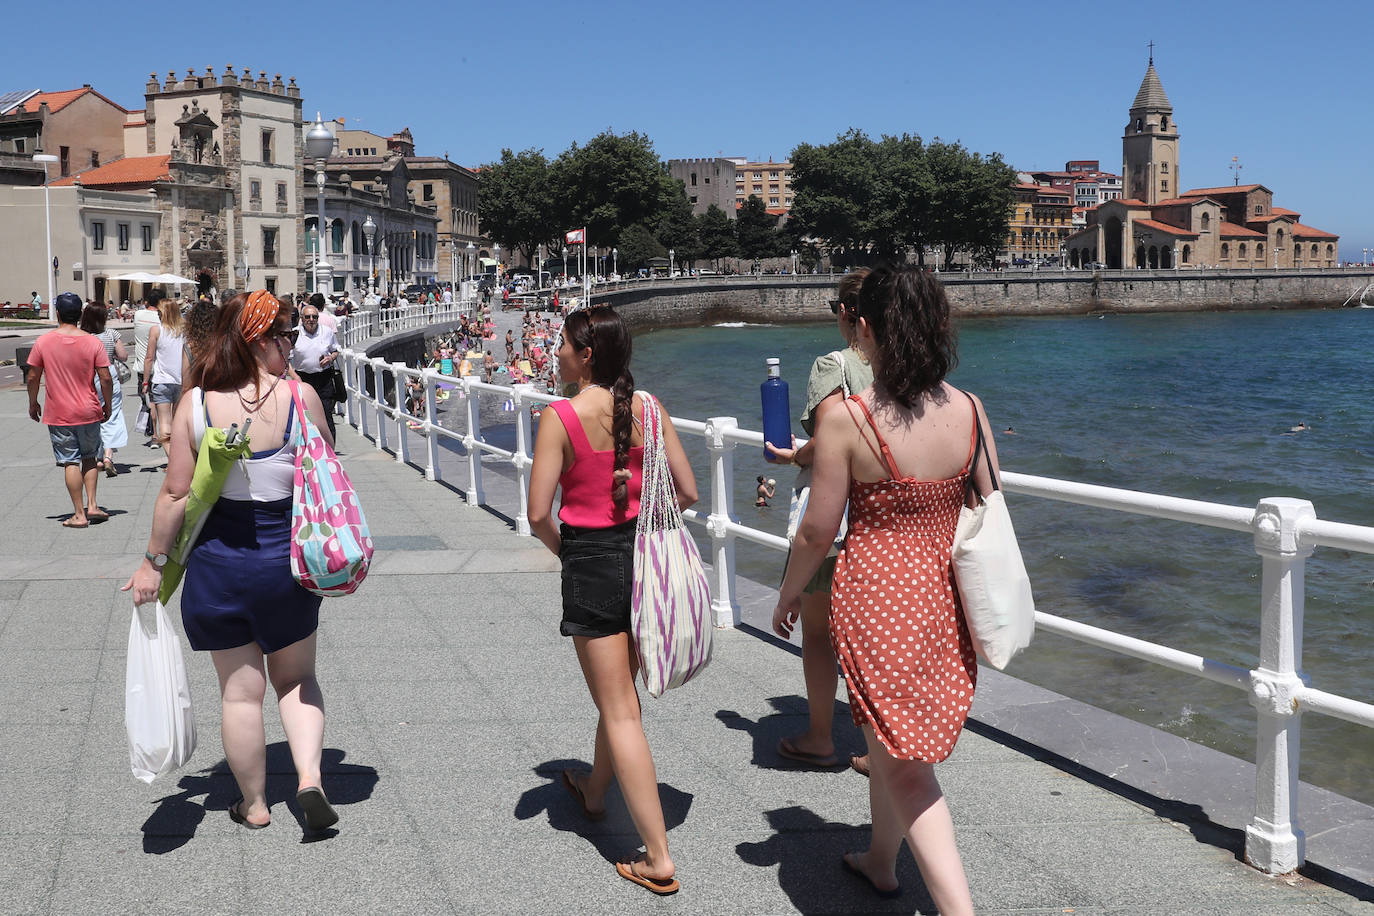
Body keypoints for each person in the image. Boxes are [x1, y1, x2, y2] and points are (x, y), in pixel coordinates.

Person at [772, 266, 988, 914]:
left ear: (866, 327)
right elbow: (986, 500)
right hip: (943, 602)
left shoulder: (847, 418)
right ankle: (880, 860)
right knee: (888, 742)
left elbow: (817, 530)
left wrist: (786, 595)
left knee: (906, 769)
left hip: (876, 599)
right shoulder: (971, 410)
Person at [123, 290, 339, 835]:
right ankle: (309, 779)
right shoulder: (301, 397)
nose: (290, 344)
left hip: (218, 565)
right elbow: (327, 468)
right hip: (285, 563)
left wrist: (152, 564)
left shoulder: (196, 404)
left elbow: (175, 496)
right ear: (262, 339)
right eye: (285, 335)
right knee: (297, 681)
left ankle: (255, 804)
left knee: (241, 693)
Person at [527, 305, 697, 896]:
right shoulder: (649, 409)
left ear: (587, 355)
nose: (558, 353)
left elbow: (538, 514)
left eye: (566, 346)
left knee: (621, 709)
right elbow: (689, 491)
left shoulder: (561, 417)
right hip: (645, 560)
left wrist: (571, 554)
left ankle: (657, 858)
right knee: (619, 696)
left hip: (593, 563)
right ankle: (595, 793)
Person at [764, 268, 874, 773]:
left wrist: (792, 457)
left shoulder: (835, 365)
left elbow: (832, 440)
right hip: (886, 519)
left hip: (835, 517)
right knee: (873, 635)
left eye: (837, 309)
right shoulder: (905, 368)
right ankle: (880, 746)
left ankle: (821, 736)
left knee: (817, 632)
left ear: (850, 315)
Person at [26, 292, 113, 527]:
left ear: (57, 314)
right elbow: (105, 378)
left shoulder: (44, 342)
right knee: (90, 457)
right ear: (80, 314)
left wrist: (33, 402)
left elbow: (33, 376)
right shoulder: (92, 341)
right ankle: (93, 505)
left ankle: (78, 514)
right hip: (89, 409)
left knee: (70, 461)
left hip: (60, 412)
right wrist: (108, 404)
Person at [79, 302, 129, 477]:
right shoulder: (111, 334)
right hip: (108, 376)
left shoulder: (82, 335)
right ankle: (108, 456)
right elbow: (123, 355)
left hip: (88, 378)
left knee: (94, 417)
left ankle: (97, 457)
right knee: (112, 415)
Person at [290, 295, 341, 440]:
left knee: (326, 415)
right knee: (304, 416)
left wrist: (330, 358)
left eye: (314, 317)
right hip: (303, 379)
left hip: (324, 378)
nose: (311, 320)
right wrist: (295, 377)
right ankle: (309, 447)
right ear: (302, 318)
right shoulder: (294, 333)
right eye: (307, 317)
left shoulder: (327, 332)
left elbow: (336, 350)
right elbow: (285, 359)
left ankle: (330, 450)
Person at [143, 298, 185, 462]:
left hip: (161, 381)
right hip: (182, 382)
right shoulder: (184, 330)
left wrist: (145, 381)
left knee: (165, 424)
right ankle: (181, 458)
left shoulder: (156, 330)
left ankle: (173, 460)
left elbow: (149, 358)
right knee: (180, 424)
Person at [133, 293, 163, 445]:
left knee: (149, 400)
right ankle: (161, 434)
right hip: (159, 365)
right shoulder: (161, 318)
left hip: (142, 366)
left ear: (146, 302)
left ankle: (155, 434)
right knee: (160, 403)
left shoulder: (138, 315)